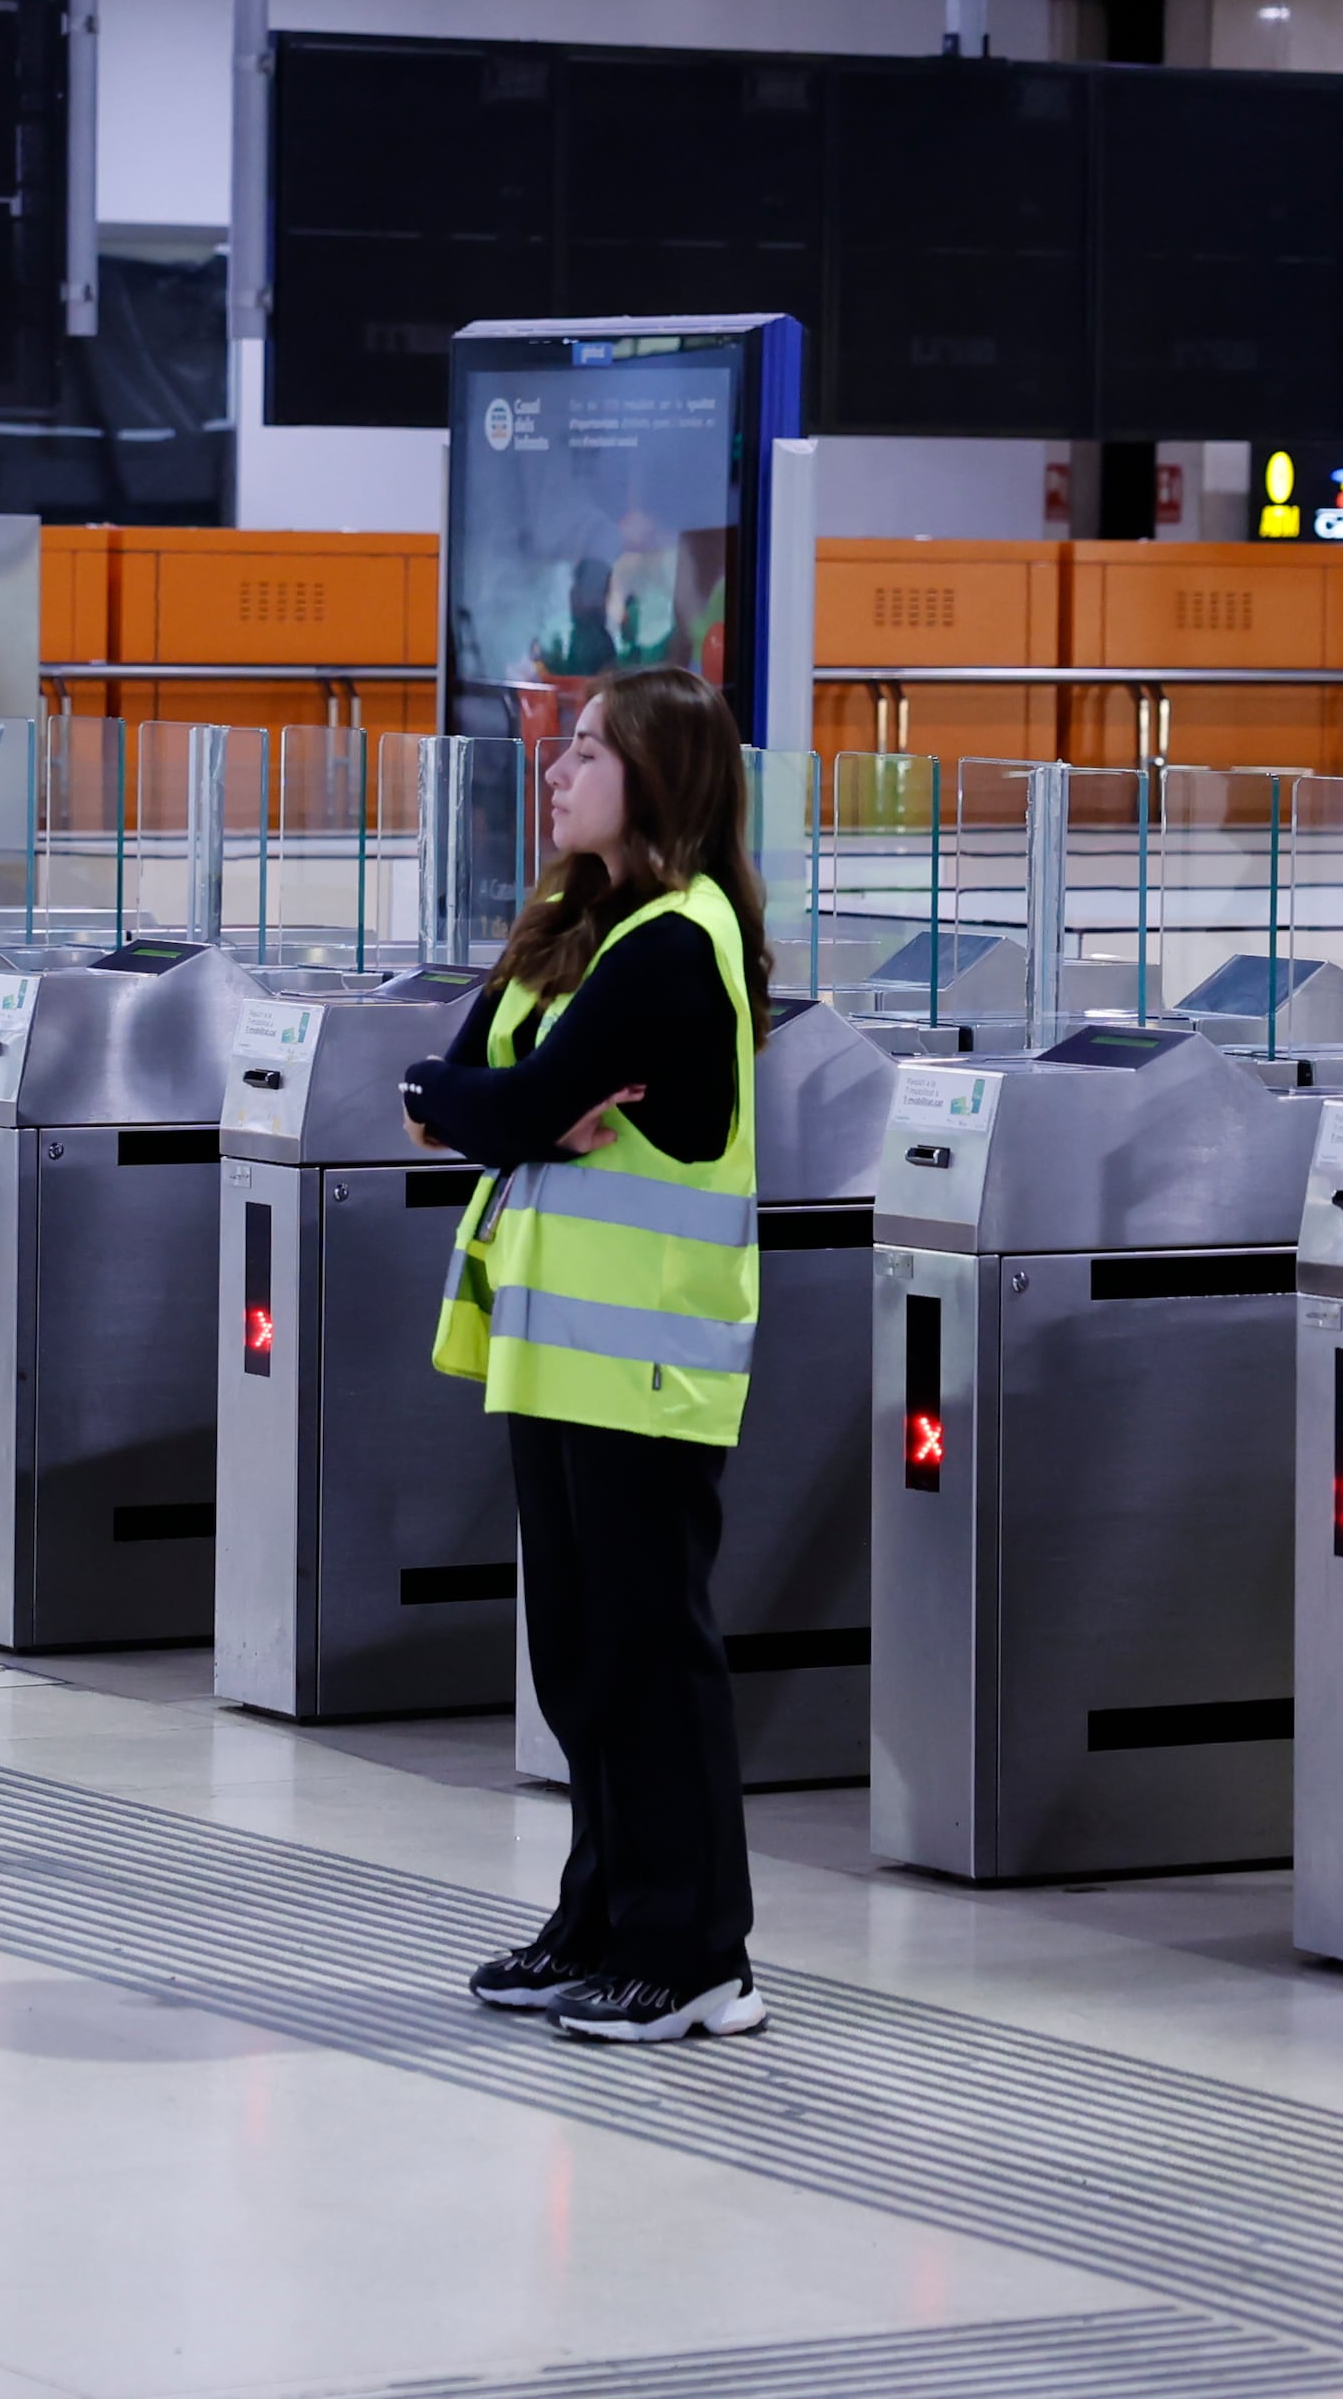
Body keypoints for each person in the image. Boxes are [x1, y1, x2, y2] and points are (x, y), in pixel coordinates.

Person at [399, 664, 772, 2046]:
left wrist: (504, 1108)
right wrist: (494, 1108)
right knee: (578, 1654)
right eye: (564, 749)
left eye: (593, 752)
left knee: (647, 1651)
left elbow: (511, 1102)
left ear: (660, 780)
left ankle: (697, 1953)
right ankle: (603, 1921)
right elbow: (452, 1088)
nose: (559, 769)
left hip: (650, 1367)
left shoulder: (680, 942)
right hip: (558, 1362)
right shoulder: (578, 921)